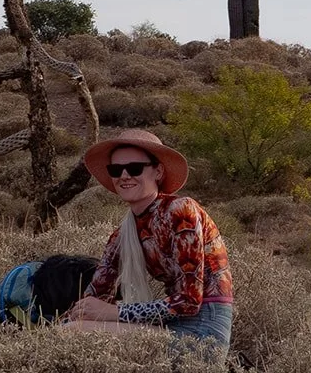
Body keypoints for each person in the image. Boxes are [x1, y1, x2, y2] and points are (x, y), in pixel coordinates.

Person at [59, 129, 234, 356]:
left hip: (202, 333)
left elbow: (189, 302)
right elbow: (97, 293)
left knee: (74, 333)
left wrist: (115, 312)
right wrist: (77, 313)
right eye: (116, 170)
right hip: (170, 327)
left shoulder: (181, 211)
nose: (124, 176)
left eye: (134, 168)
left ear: (158, 171)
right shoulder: (123, 233)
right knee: (69, 330)